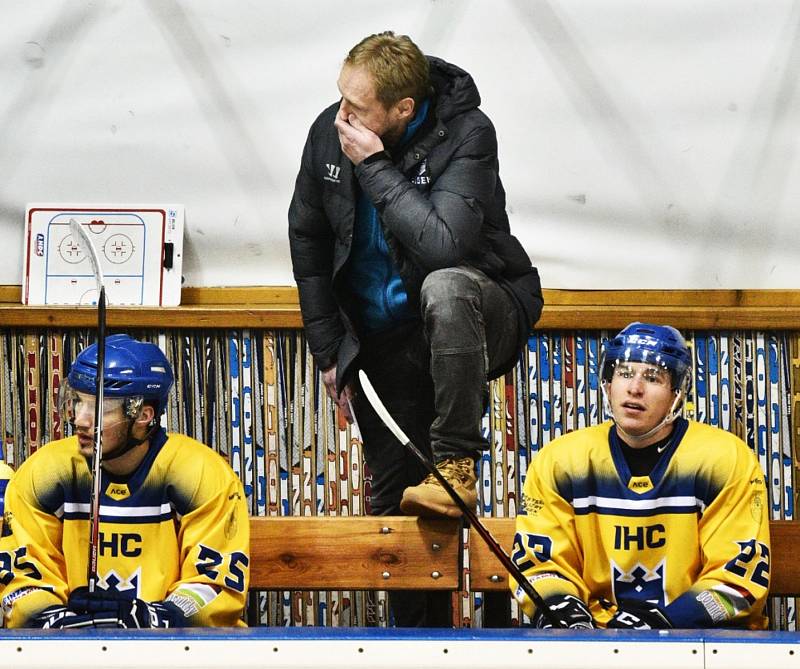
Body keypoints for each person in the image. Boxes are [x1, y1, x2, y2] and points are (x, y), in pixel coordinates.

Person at [288, 30, 542, 625]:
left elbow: (442, 244)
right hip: (381, 339)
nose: (342, 115)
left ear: (403, 109)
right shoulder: (332, 128)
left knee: (445, 287)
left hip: (477, 312)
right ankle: (418, 644)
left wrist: (373, 164)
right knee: (397, 503)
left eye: (359, 106)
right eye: (340, 98)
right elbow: (308, 235)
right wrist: (329, 348)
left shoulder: (469, 134)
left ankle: (456, 460)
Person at [511, 322, 770, 629]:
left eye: (653, 377)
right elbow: (539, 562)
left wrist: (668, 621)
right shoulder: (561, 460)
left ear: (677, 392)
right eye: (624, 373)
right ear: (608, 385)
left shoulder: (724, 459)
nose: (635, 388)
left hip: (698, 642)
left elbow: (739, 580)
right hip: (596, 637)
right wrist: (557, 605)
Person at [0, 334, 250, 628]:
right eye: (77, 402)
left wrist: (152, 617)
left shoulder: (200, 474)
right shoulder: (46, 472)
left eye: (99, 409)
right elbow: (22, 580)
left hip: (178, 653)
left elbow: (214, 586)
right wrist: (58, 622)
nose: (80, 419)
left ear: (143, 415)